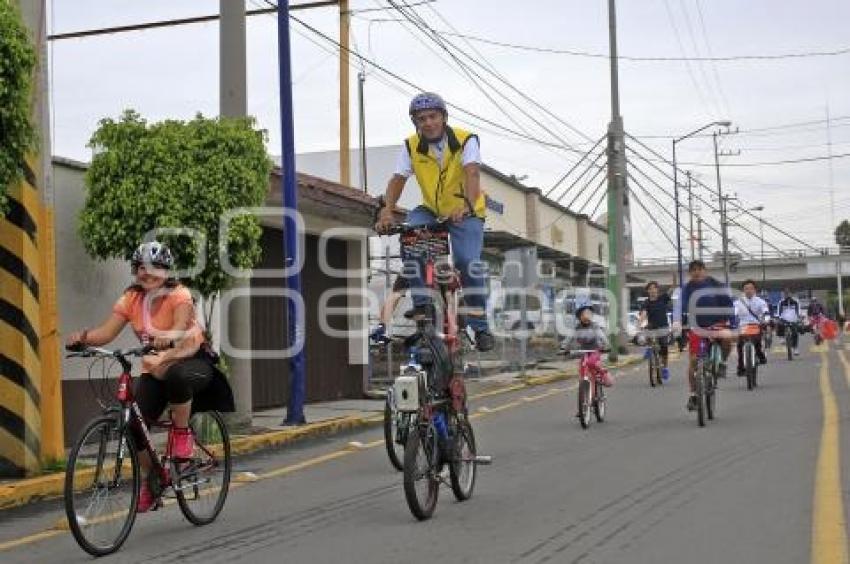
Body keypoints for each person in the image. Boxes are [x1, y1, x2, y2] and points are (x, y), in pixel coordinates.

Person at [66, 241, 233, 513]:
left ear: (167, 271)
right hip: (155, 369)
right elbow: (106, 333)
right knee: (133, 423)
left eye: (155, 267)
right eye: (140, 268)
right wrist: (82, 339)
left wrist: (166, 339)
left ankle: (181, 434)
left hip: (192, 361)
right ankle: (153, 479)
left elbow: (180, 327)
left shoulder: (179, 295)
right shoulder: (130, 300)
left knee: (178, 376)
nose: (147, 273)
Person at [374, 92, 493, 352]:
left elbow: (472, 173)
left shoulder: (465, 140)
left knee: (467, 262)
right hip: (431, 209)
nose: (427, 123)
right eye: (421, 119)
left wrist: (466, 206)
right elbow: (398, 179)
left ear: (444, 118)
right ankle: (423, 306)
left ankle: (480, 325)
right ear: (415, 122)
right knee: (411, 238)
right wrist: (387, 211)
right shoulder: (410, 145)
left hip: (466, 210)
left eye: (433, 116)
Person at [676, 260, 734, 411]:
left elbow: (728, 304)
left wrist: (732, 322)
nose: (696, 272)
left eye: (699, 269)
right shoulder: (687, 288)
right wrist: (677, 322)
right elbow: (681, 306)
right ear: (690, 273)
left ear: (705, 270)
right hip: (697, 326)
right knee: (694, 360)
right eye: (693, 270)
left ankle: (722, 363)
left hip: (718, 323)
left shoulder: (716, 285)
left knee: (727, 338)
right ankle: (693, 394)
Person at [564, 304, 612, 387]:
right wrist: (564, 347)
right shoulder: (577, 328)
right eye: (584, 314)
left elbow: (601, 336)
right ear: (580, 317)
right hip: (583, 351)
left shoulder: (594, 326)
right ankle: (585, 390)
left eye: (589, 314)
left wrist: (606, 345)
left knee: (592, 362)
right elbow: (569, 338)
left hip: (595, 350)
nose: (587, 316)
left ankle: (603, 373)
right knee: (582, 367)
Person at [638, 281, 672, 381]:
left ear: (657, 289)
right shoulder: (646, 302)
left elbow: (671, 290)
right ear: (648, 291)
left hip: (663, 327)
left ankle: (665, 368)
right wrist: (640, 322)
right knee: (646, 331)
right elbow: (643, 313)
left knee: (664, 348)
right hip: (652, 326)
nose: (652, 290)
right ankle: (649, 349)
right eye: (650, 288)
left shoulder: (663, 298)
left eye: (654, 288)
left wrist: (674, 279)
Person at [734, 279, 769, 376]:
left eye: (751, 288)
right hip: (743, 326)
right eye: (746, 289)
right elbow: (734, 313)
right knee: (740, 345)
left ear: (755, 290)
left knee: (757, 342)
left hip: (756, 325)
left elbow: (765, 311)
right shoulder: (738, 303)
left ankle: (761, 355)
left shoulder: (760, 301)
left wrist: (766, 319)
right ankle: (741, 367)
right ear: (743, 290)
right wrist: (732, 322)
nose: (748, 290)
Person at [777, 288, 801, 355]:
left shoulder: (796, 301)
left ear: (791, 294)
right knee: (779, 324)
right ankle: (781, 337)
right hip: (784, 318)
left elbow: (798, 310)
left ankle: (795, 348)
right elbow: (779, 311)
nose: (787, 295)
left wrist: (799, 316)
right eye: (785, 293)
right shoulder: (781, 302)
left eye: (788, 293)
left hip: (793, 319)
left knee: (795, 332)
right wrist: (778, 317)